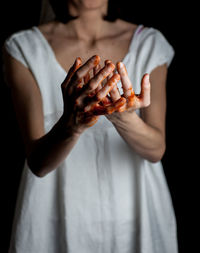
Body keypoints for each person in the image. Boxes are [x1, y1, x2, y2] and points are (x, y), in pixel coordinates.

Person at [3, 0, 178, 252]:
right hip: (53, 221)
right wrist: (71, 125)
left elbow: (155, 149)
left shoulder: (149, 43)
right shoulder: (24, 48)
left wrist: (123, 118)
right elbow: (38, 164)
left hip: (137, 218)